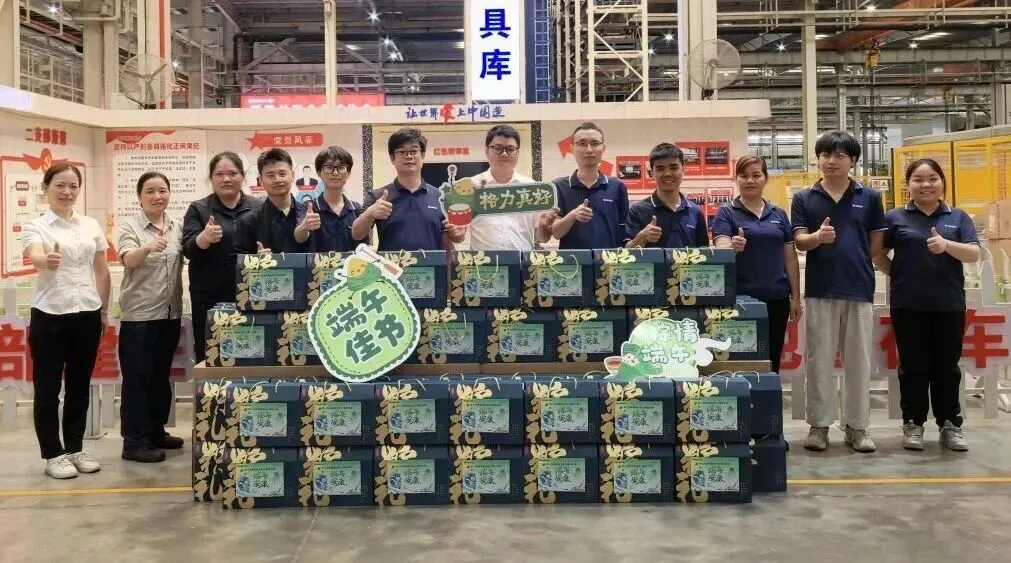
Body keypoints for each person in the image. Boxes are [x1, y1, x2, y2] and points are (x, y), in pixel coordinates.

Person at [874, 159, 979, 452]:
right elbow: (878, 253)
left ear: (942, 182)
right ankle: (913, 423)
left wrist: (947, 246)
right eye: (918, 179)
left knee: (947, 368)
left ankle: (950, 424)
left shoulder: (957, 217)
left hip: (948, 304)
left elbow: (973, 254)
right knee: (913, 367)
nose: (926, 185)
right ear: (908, 185)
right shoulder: (895, 217)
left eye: (932, 178)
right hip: (908, 304)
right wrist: (897, 274)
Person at [792, 131, 885, 453]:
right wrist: (818, 238)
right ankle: (819, 426)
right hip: (820, 289)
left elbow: (876, 243)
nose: (831, 161)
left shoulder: (869, 197)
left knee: (858, 361)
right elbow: (799, 241)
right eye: (825, 154)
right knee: (819, 360)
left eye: (840, 155)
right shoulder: (804, 198)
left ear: (853, 161)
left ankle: (857, 427)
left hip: (859, 288)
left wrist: (856, 259)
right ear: (818, 159)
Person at [22, 163, 110, 479]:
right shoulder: (36, 226)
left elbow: (101, 269)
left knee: (79, 386)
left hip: (87, 313)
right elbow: (34, 254)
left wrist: (103, 311)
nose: (67, 191)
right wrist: (46, 260)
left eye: (73, 186)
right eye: (60, 185)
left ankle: (74, 448)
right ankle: (52, 454)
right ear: (46, 188)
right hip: (50, 314)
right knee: (47, 388)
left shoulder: (90, 225)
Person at [116, 172, 184, 463]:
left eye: (162, 190)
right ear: (139, 196)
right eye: (150, 191)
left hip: (169, 313)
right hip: (139, 315)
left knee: (159, 377)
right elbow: (128, 259)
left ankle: (155, 431)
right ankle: (134, 441)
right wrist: (146, 248)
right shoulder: (130, 226)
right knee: (138, 379)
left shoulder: (176, 226)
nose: (157, 196)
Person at [712, 156, 802, 373]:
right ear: (736, 179)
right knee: (738, 361)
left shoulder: (778, 214)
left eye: (756, 175)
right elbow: (720, 248)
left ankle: (769, 395)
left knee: (772, 359)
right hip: (740, 301)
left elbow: (790, 258)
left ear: (765, 178)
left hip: (777, 299)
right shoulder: (726, 212)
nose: (750, 180)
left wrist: (796, 298)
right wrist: (732, 247)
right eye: (744, 176)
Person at [183, 152, 262, 363]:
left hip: (251, 295)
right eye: (219, 174)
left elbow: (269, 244)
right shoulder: (198, 209)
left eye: (233, 173)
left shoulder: (258, 207)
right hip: (209, 298)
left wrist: (265, 253)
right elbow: (188, 249)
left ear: (242, 176)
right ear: (211, 178)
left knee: (250, 351)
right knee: (210, 354)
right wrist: (204, 238)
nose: (226, 179)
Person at [353, 127, 466, 251]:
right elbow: (356, 234)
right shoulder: (378, 196)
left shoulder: (441, 197)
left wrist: (458, 235)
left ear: (422, 155)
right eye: (402, 152)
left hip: (432, 263)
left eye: (414, 151)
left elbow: (452, 239)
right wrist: (370, 213)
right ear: (392, 158)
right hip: (391, 264)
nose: (409, 156)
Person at [468, 124, 557, 250]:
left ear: (518, 152)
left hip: (522, 260)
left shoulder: (530, 188)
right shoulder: (471, 187)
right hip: (483, 262)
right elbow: (458, 236)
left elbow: (542, 238)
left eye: (510, 149)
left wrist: (544, 226)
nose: (504, 154)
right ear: (487, 151)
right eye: (498, 148)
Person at [550, 122, 630, 249]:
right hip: (572, 260)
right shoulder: (558, 186)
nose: (589, 149)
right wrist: (573, 215)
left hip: (610, 260)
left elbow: (624, 232)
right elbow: (556, 233)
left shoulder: (617, 186)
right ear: (572, 148)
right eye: (582, 143)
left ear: (603, 148)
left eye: (595, 143)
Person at [626, 142, 710, 248]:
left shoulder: (695, 212)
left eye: (673, 168)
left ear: (683, 170)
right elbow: (626, 253)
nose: (667, 174)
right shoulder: (637, 210)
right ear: (652, 172)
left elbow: (704, 253)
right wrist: (641, 238)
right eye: (660, 169)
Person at [295, 145, 367, 252]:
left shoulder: (356, 209)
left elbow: (364, 245)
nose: (335, 173)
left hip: (351, 263)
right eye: (329, 168)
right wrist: (305, 226)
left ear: (348, 173)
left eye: (341, 168)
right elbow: (298, 237)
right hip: (318, 263)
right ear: (319, 173)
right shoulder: (307, 207)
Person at [242, 148, 305, 253]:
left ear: (293, 175)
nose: (277, 180)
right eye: (270, 175)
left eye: (282, 174)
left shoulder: (309, 215)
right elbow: (238, 258)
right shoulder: (249, 221)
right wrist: (255, 259)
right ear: (260, 180)